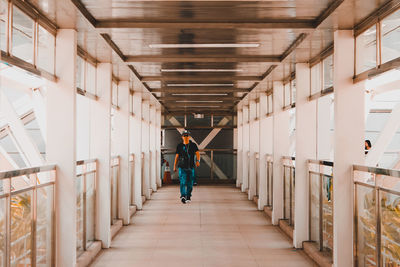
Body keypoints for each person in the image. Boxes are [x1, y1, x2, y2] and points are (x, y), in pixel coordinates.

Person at [173, 130, 200, 204]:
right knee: (182, 182)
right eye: (184, 135)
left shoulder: (193, 145)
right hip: (182, 167)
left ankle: (188, 196)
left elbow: (197, 154)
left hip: (191, 167)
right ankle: (183, 196)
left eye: (187, 135)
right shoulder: (179, 146)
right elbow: (177, 156)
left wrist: (198, 161)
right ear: (182, 137)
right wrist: (174, 166)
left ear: (189, 136)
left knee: (190, 183)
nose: (186, 137)